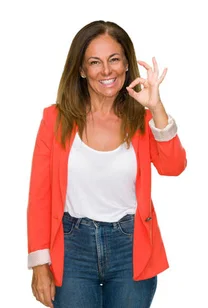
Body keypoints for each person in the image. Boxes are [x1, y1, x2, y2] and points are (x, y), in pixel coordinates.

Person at [27, 20, 186, 308]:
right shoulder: (55, 120)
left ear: (126, 63)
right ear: (81, 70)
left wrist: (156, 107)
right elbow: (39, 196)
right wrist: (39, 264)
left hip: (131, 246)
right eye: (95, 62)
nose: (106, 70)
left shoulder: (143, 120)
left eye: (114, 59)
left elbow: (173, 166)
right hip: (72, 246)